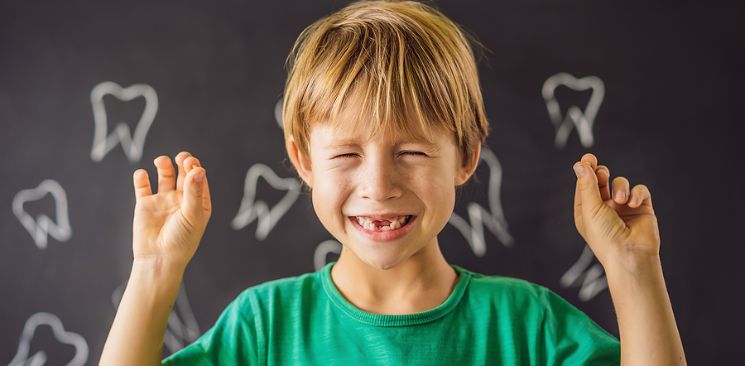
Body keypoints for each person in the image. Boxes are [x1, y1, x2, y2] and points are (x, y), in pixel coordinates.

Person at [100, 0, 686, 364]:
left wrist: (633, 268)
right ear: (302, 160)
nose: (378, 185)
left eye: (410, 152)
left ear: (466, 156)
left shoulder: (527, 326)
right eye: (347, 153)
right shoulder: (264, 326)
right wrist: (155, 270)